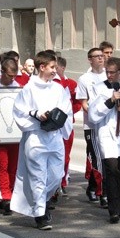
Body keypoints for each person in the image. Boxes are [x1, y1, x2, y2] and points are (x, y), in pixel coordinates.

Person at [11, 50, 73, 230]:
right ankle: (40, 214)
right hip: (37, 138)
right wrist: (38, 115)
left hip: (54, 137)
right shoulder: (28, 89)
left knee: (56, 176)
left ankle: (40, 202)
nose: (55, 71)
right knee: (37, 177)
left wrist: (56, 118)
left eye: (55, 67)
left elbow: (66, 110)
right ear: (42, 67)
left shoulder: (58, 88)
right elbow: (19, 112)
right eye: (52, 67)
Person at [88, 57, 120, 223]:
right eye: (107, 72)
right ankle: (113, 210)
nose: (109, 75)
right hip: (106, 134)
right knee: (111, 170)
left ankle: (118, 205)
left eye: (113, 72)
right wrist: (110, 101)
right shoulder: (98, 88)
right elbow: (93, 113)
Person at [0, 58, 21, 215]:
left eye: (14, 76)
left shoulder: (19, 89)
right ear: (2, 72)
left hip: (15, 137)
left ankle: (12, 193)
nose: (12, 79)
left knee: (14, 167)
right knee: (2, 166)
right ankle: (4, 196)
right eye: (9, 75)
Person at [76, 47, 108, 207]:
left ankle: (94, 187)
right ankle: (102, 193)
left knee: (108, 158)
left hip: (108, 124)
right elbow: (83, 102)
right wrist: (97, 113)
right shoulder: (84, 79)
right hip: (92, 125)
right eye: (97, 56)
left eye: (102, 56)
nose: (101, 59)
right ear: (90, 59)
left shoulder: (110, 74)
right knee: (97, 159)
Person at [53, 56, 82, 197]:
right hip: (53, 125)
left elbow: (77, 103)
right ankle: (54, 183)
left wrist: (68, 112)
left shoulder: (71, 83)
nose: (53, 69)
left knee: (65, 156)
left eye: (55, 67)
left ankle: (63, 181)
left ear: (62, 68)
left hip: (67, 125)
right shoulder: (51, 83)